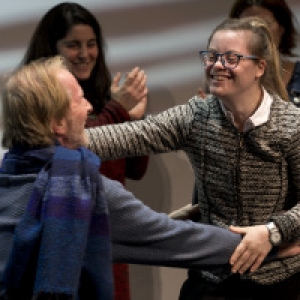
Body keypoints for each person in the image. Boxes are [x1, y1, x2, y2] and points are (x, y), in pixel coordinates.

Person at [86, 17, 300, 299]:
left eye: (232, 58)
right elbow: (128, 136)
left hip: (277, 281)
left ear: (260, 67)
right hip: (212, 278)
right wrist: (60, 139)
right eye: (211, 56)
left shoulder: (291, 124)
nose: (217, 65)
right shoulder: (196, 116)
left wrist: (272, 232)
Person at [0, 55, 247, 300]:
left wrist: (169, 219)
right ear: (58, 123)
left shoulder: (8, 177)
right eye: (79, 99)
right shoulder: (79, 190)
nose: (88, 107)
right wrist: (266, 242)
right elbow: (177, 240)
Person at [21, 3, 149, 299]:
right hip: (63, 241)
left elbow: (135, 170)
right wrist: (119, 113)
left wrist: (134, 122)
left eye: (91, 44)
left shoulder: (107, 97)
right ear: (51, 49)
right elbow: (70, 151)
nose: (84, 54)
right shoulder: (35, 100)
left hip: (108, 240)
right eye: (73, 45)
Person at [229, 0, 300, 106]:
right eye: (247, 26)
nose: (257, 32)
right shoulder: (227, 77)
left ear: (281, 29)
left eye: (265, 24)